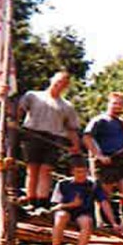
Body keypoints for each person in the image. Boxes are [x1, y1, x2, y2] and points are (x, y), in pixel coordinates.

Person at [18, 71, 82, 216]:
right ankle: (31, 201)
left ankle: (42, 203)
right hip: (32, 134)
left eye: (64, 84)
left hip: (54, 138)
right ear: (52, 79)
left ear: (66, 87)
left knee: (46, 170)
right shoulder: (33, 95)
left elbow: (71, 128)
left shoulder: (67, 106)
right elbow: (19, 110)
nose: (59, 85)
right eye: (58, 81)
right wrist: (13, 123)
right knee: (32, 169)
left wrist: (76, 145)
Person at [47, 158, 121, 245]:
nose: (81, 175)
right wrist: (72, 204)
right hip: (66, 211)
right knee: (61, 216)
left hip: (83, 213)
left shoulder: (93, 184)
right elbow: (55, 207)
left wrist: (113, 222)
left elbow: (104, 203)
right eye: (78, 172)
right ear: (72, 172)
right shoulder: (63, 184)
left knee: (87, 222)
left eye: (84, 172)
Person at [83, 91, 123, 227]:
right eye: (115, 103)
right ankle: (106, 222)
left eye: (120, 104)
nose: (117, 106)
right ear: (108, 103)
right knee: (105, 192)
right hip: (104, 161)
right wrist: (99, 155)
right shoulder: (99, 120)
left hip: (121, 160)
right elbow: (87, 137)